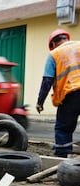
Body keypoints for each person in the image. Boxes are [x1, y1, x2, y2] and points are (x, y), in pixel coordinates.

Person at [36, 29, 80, 158]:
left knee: (63, 128)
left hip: (70, 95)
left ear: (53, 44)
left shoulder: (54, 54)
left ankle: (61, 157)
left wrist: (40, 102)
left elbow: (47, 80)